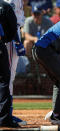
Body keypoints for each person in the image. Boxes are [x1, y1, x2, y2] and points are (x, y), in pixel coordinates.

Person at [3, 0, 27, 126]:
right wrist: (17, 41)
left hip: (9, 32)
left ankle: (5, 113)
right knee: (8, 77)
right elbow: (11, 20)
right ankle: (7, 114)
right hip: (10, 35)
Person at [0, 0, 20, 128]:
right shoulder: (5, 6)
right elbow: (12, 29)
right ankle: (4, 118)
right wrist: (4, 40)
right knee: (3, 81)